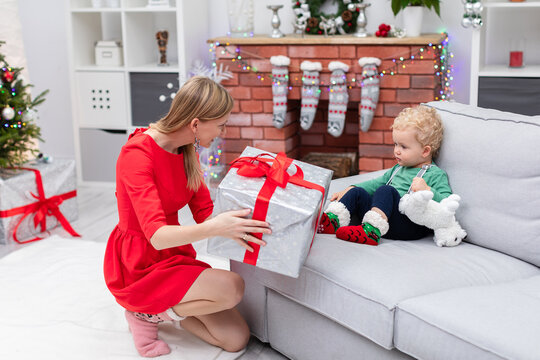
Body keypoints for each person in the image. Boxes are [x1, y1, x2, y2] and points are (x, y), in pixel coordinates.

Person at [103, 76, 272, 357]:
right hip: (139, 264)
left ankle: (163, 312)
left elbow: (205, 212)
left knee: (235, 339)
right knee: (232, 287)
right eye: (220, 125)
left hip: (172, 255)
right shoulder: (137, 155)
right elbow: (156, 236)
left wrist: (248, 216)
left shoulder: (185, 150)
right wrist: (217, 228)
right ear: (196, 124)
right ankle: (143, 313)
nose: (222, 132)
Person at [317, 105, 452, 245]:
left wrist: (428, 190)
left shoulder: (435, 174)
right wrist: (350, 188)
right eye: (395, 144)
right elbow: (375, 183)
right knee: (357, 192)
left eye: (403, 147)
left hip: (409, 226)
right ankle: (332, 221)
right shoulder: (398, 168)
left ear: (425, 151)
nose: (396, 151)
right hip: (385, 219)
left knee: (386, 190)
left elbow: (447, 203)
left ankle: (371, 232)